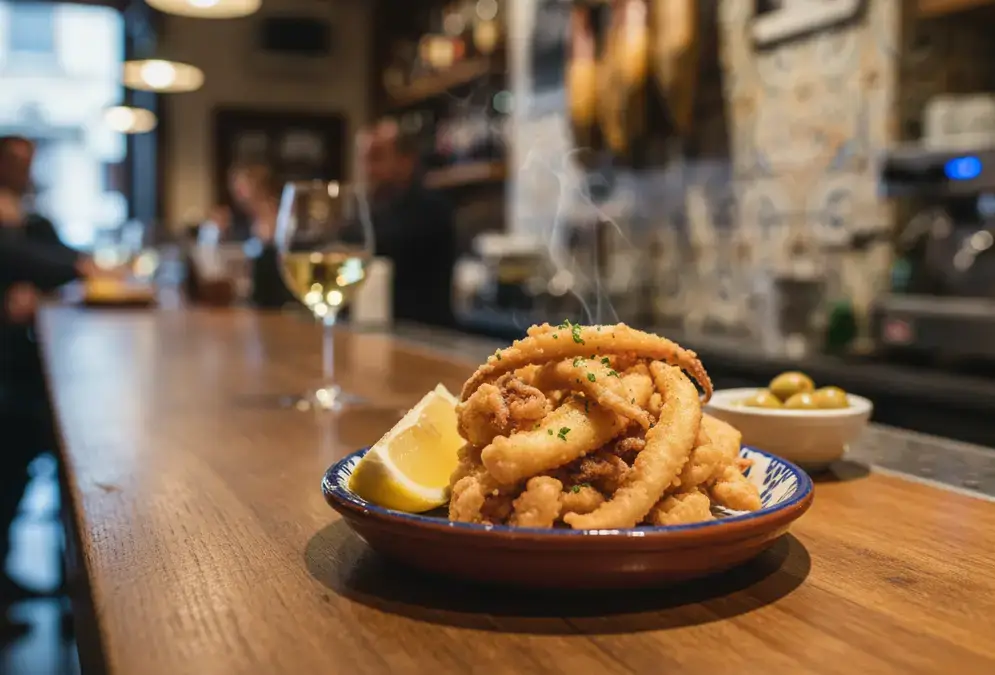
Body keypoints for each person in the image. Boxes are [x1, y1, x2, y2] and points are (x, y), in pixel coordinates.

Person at [0, 135, 106, 615]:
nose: (24, 168)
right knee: (34, 426)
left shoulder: (26, 214)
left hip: (19, 354)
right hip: (7, 366)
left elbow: (59, 257)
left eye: (28, 160)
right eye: (15, 161)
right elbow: (31, 261)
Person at [357, 120, 456, 327]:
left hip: (426, 338)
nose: (367, 169)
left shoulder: (431, 210)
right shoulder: (371, 210)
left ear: (406, 161)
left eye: (376, 158)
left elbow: (379, 250)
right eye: (364, 160)